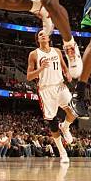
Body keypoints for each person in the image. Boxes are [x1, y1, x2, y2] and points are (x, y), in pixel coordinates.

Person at [27, 30, 76, 163]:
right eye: (39, 35)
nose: (42, 35)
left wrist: (68, 73)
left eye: (44, 34)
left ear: (48, 37)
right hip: (46, 90)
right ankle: (62, 152)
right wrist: (41, 69)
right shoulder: (34, 54)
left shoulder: (57, 51)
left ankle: (65, 127)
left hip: (60, 85)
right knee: (53, 123)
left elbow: (63, 66)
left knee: (73, 112)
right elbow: (29, 76)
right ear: (38, 39)